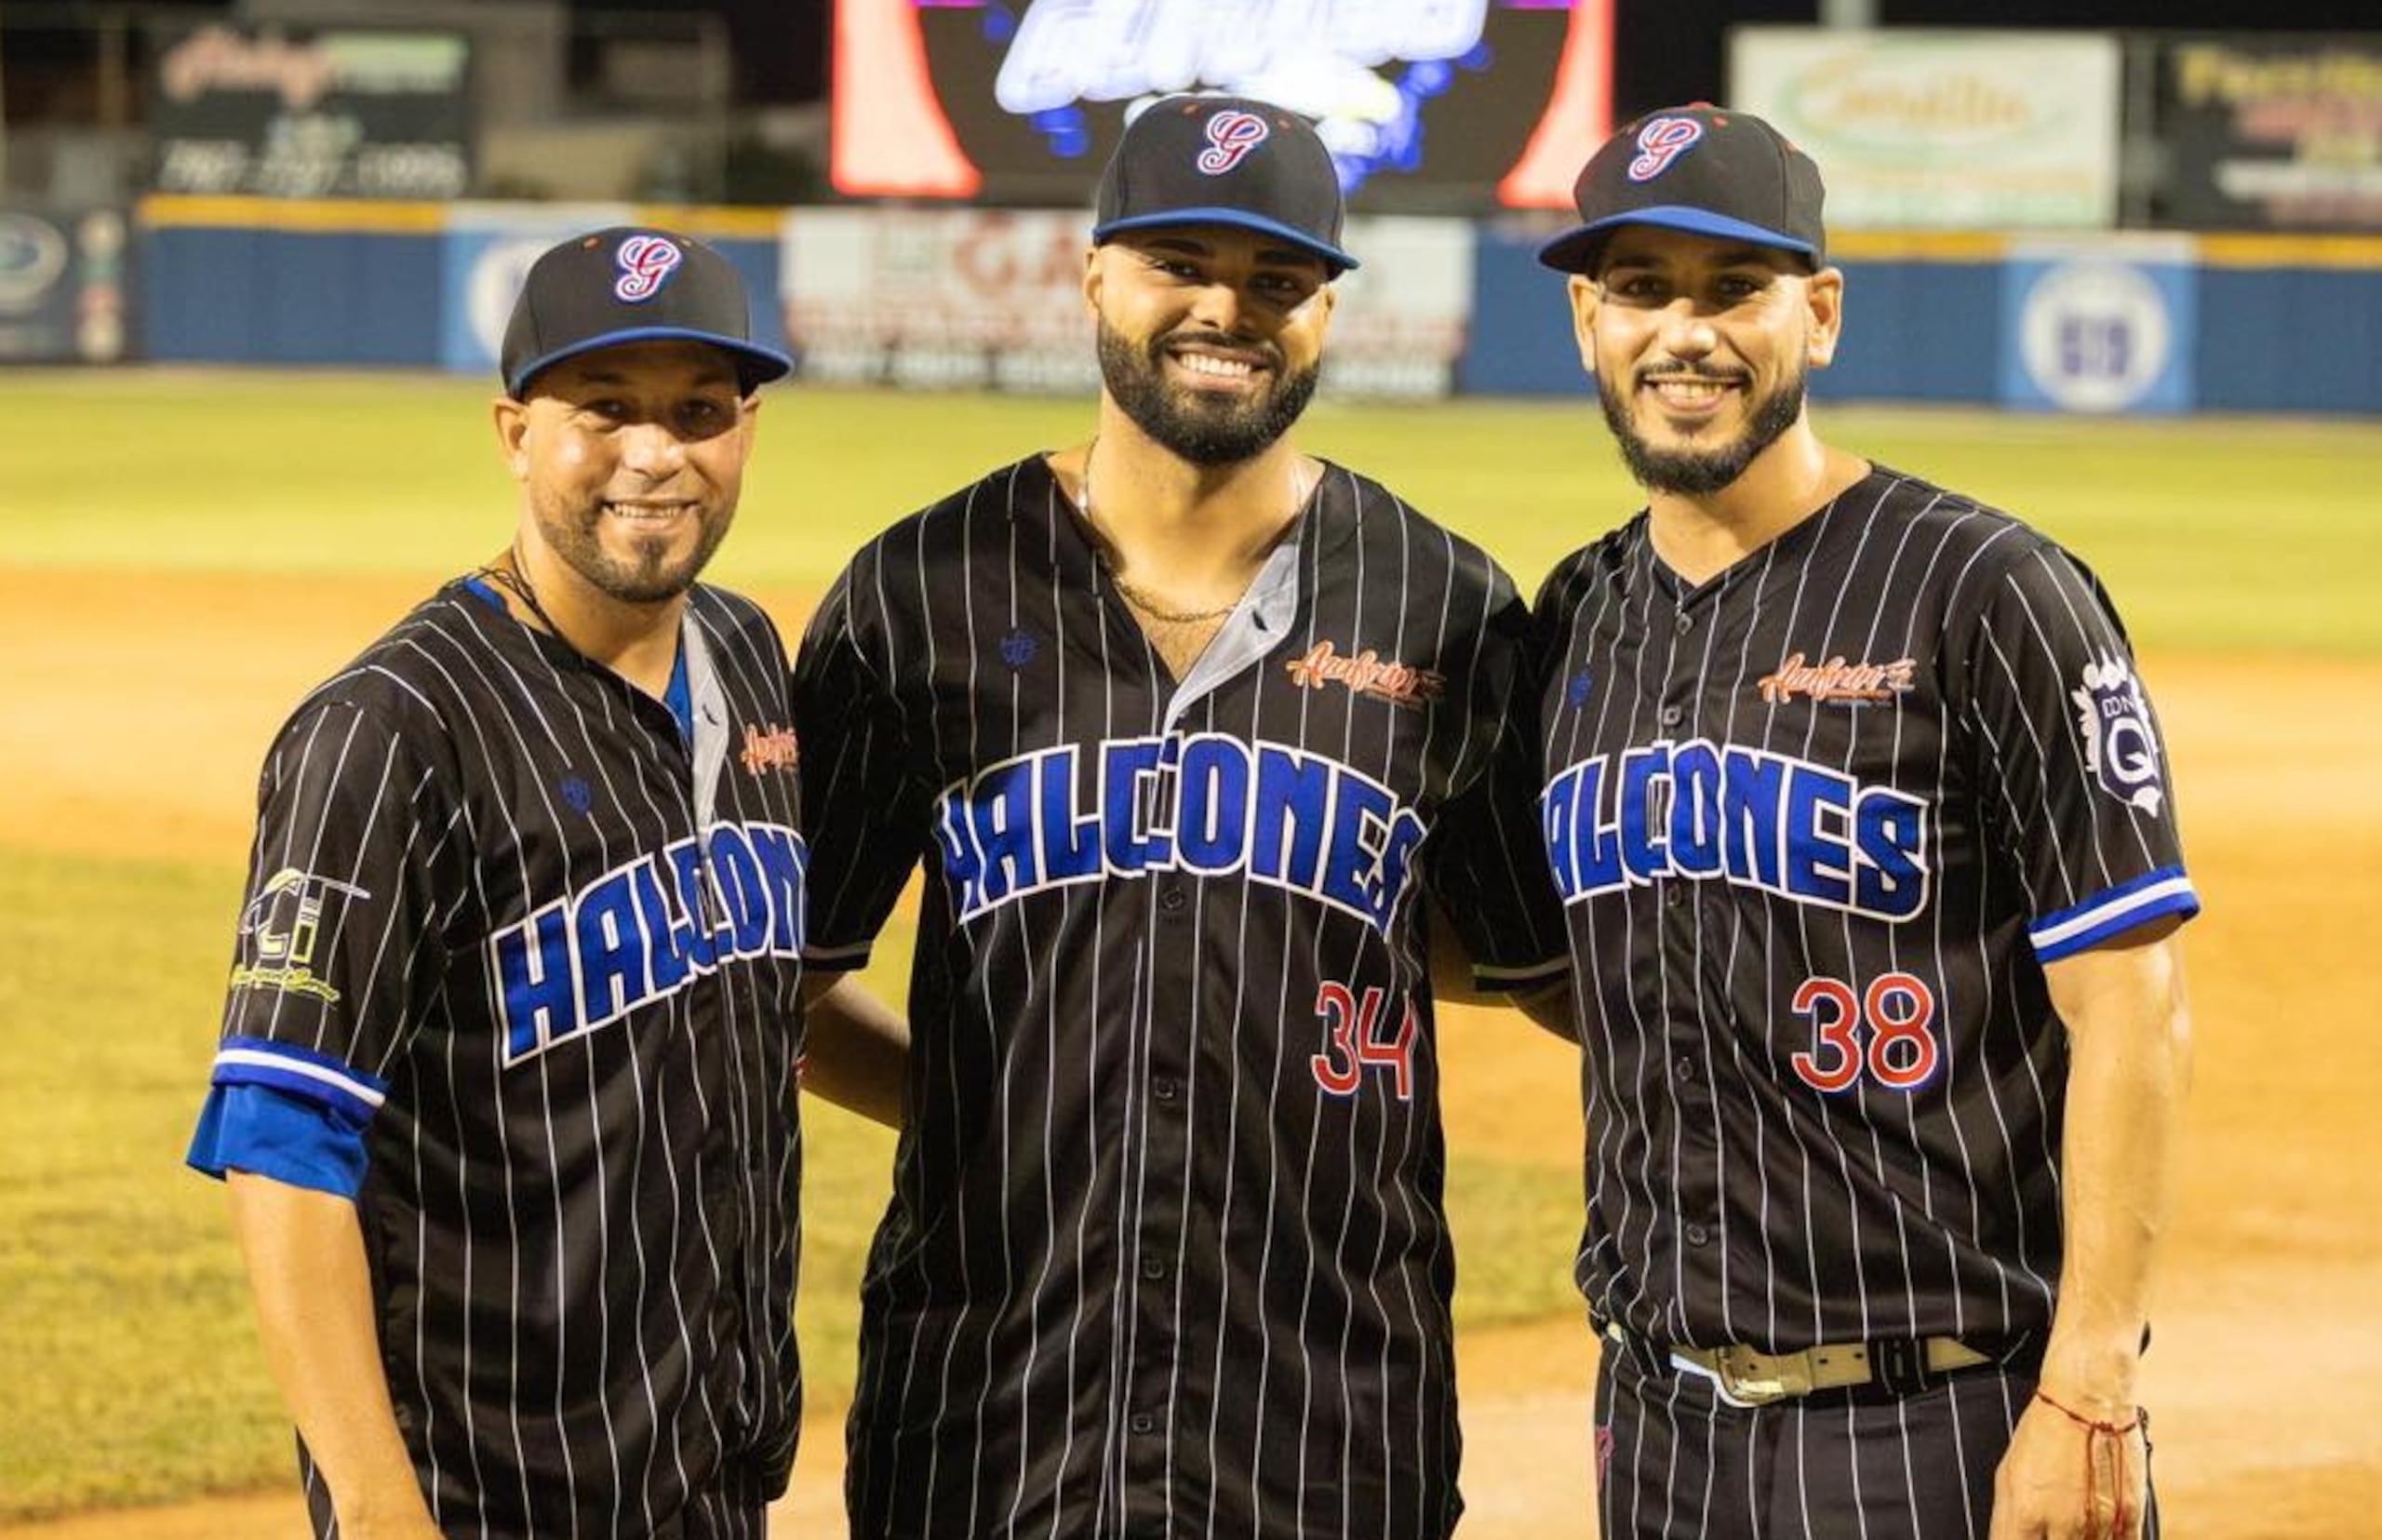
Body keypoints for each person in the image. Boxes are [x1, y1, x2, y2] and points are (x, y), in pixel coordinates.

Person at [791, 94, 1569, 1538]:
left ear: (1328, 308)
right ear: (1094, 275)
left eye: (1277, 278)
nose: (1226, 309)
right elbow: (782, 972)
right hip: (990, 1408)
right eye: (1179, 264)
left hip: (1332, 1417)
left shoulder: (1446, 607)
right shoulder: (915, 595)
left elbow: (1528, 957)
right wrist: (991, 1108)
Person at [1529, 104, 2199, 1539]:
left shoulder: (1986, 590)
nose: (1683, 333)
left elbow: (2132, 1003)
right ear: (1588, 318)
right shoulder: (1574, 619)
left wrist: (2090, 1385)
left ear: (1817, 314)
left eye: (1733, 289)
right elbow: (1566, 957)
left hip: (1943, 1416)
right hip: (1655, 1423)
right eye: (1641, 288)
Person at [186, 227, 901, 1540]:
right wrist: (382, 1513)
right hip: (487, 1492)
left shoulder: (746, 658)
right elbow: (283, 1147)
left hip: (710, 1471)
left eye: (697, 411)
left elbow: (762, 1000)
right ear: (516, 430)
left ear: (747, 426)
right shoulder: (392, 730)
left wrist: (998, 1119)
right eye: (605, 411)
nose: (654, 453)